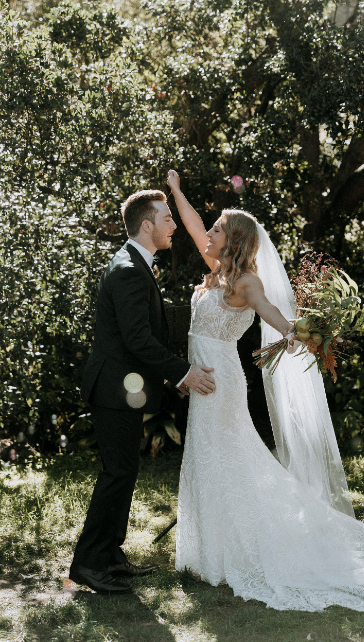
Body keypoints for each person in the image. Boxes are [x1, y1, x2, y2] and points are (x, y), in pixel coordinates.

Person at [167, 169, 364, 613]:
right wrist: (176, 191)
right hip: (203, 376)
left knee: (227, 458)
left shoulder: (246, 283)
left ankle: (245, 549)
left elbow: (275, 318)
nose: (207, 233)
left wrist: (310, 333)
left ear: (234, 242)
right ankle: (213, 554)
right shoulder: (216, 271)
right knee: (211, 458)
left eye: (217, 229)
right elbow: (192, 227)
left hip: (221, 381)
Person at [69, 189, 215, 594]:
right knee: (117, 473)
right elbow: (138, 340)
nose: (174, 226)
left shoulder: (135, 262)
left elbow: (148, 327)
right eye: (167, 219)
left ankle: (110, 555)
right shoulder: (129, 268)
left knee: (125, 471)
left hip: (121, 389)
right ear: (146, 225)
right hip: (113, 390)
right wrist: (183, 372)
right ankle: (87, 564)